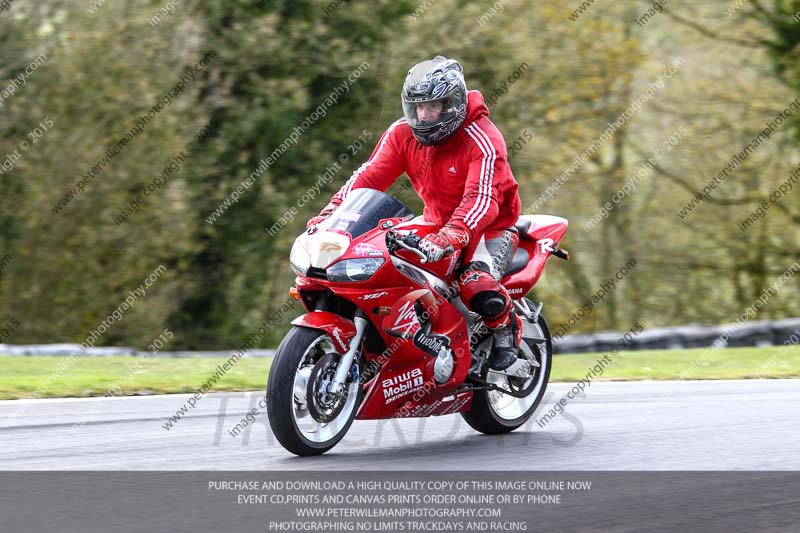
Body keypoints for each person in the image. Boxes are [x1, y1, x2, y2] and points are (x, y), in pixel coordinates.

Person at [307, 55, 522, 371]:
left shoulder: (483, 139)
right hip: (434, 221)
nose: (422, 116)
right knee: (379, 260)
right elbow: (368, 177)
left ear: (452, 104)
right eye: (416, 107)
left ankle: (506, 328)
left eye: (431, 107)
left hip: (488, 229)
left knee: (475, 283)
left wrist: (453, 234)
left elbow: (482, 199)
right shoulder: (401, 134)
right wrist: (330, 215)